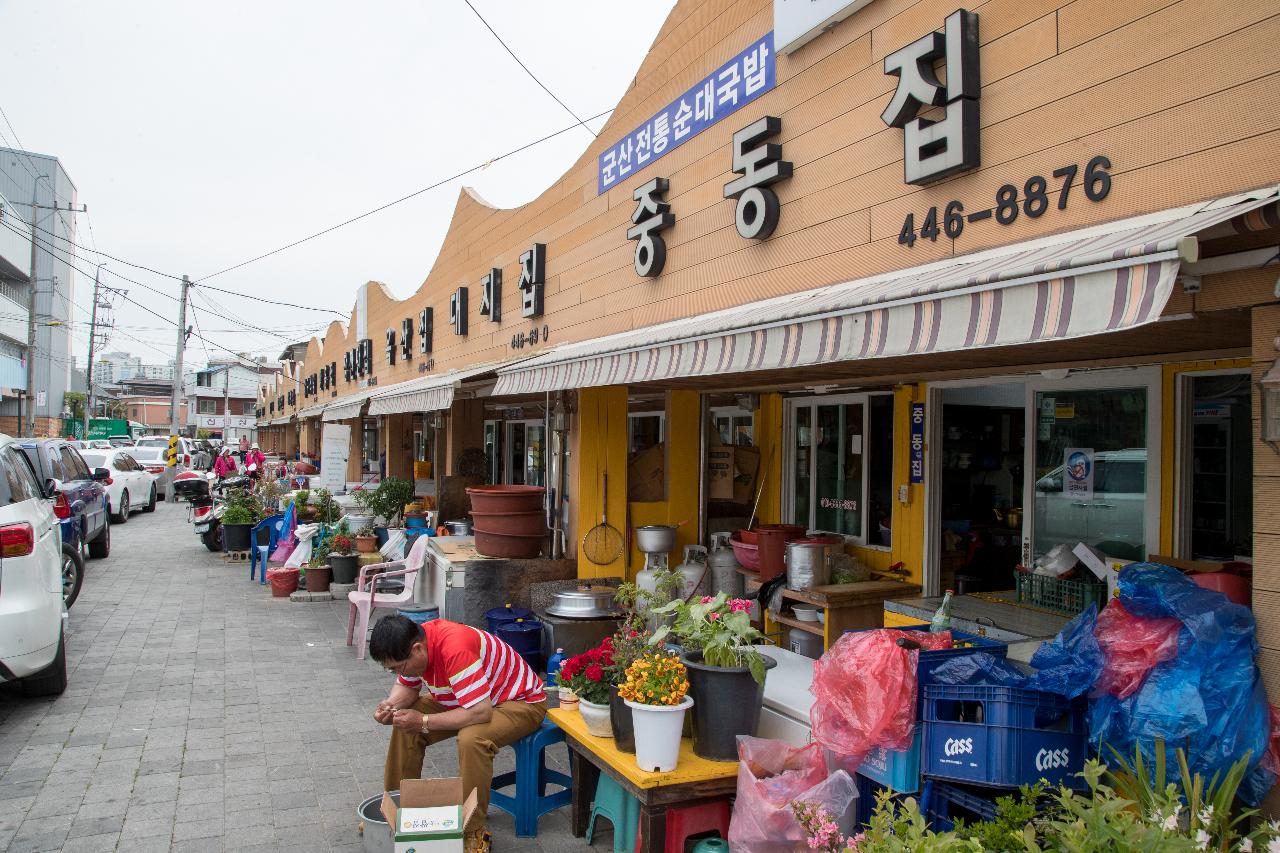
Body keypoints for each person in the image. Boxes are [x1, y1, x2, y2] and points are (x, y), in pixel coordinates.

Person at [370, 615, 547, 853]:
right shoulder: (413, 644)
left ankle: (473, 830)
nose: (396, 674)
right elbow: (406, 686)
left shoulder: (455, 648)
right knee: (404, 722)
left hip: (519, 702)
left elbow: (480, 713)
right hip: (467, 698)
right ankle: (396, 810)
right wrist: (391, 705)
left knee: (472, 739)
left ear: (417, 649)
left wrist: (422, 721)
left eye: (396, 668)